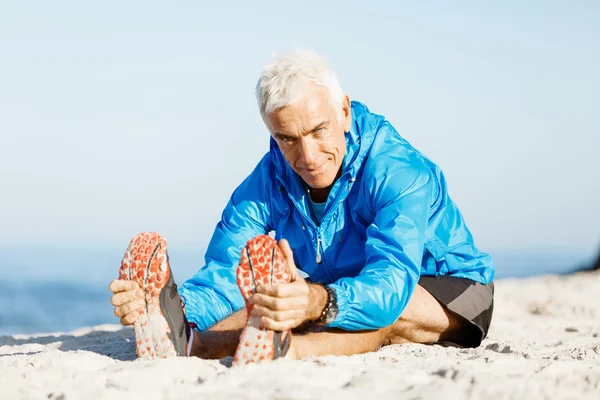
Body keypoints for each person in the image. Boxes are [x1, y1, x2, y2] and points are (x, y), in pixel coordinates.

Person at [109, 50, 495, 364]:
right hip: (343, 286)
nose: (307, 157)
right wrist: (174, 308)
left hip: (447, 287)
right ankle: (189, 343)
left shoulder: (398, 171)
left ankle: (287, 351)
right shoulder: (269, 176)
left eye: (317, 130)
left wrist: (316, 302)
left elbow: (391, 284)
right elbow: (225, 271)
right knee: (269, 300)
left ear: (344, 112)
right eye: (287, 138)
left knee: (383, 316)